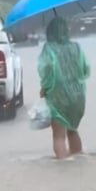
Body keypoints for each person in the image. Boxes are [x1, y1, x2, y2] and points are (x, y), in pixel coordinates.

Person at [38, 16, 91, 159]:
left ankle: (63, 166)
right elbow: (86, 70)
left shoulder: (48, 48)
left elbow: (48, 69)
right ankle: (77, 159)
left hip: (58, 97)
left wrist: (44, 88)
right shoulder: (76, 47)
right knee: (73, 130)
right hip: (77, 96)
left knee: (59, 136)